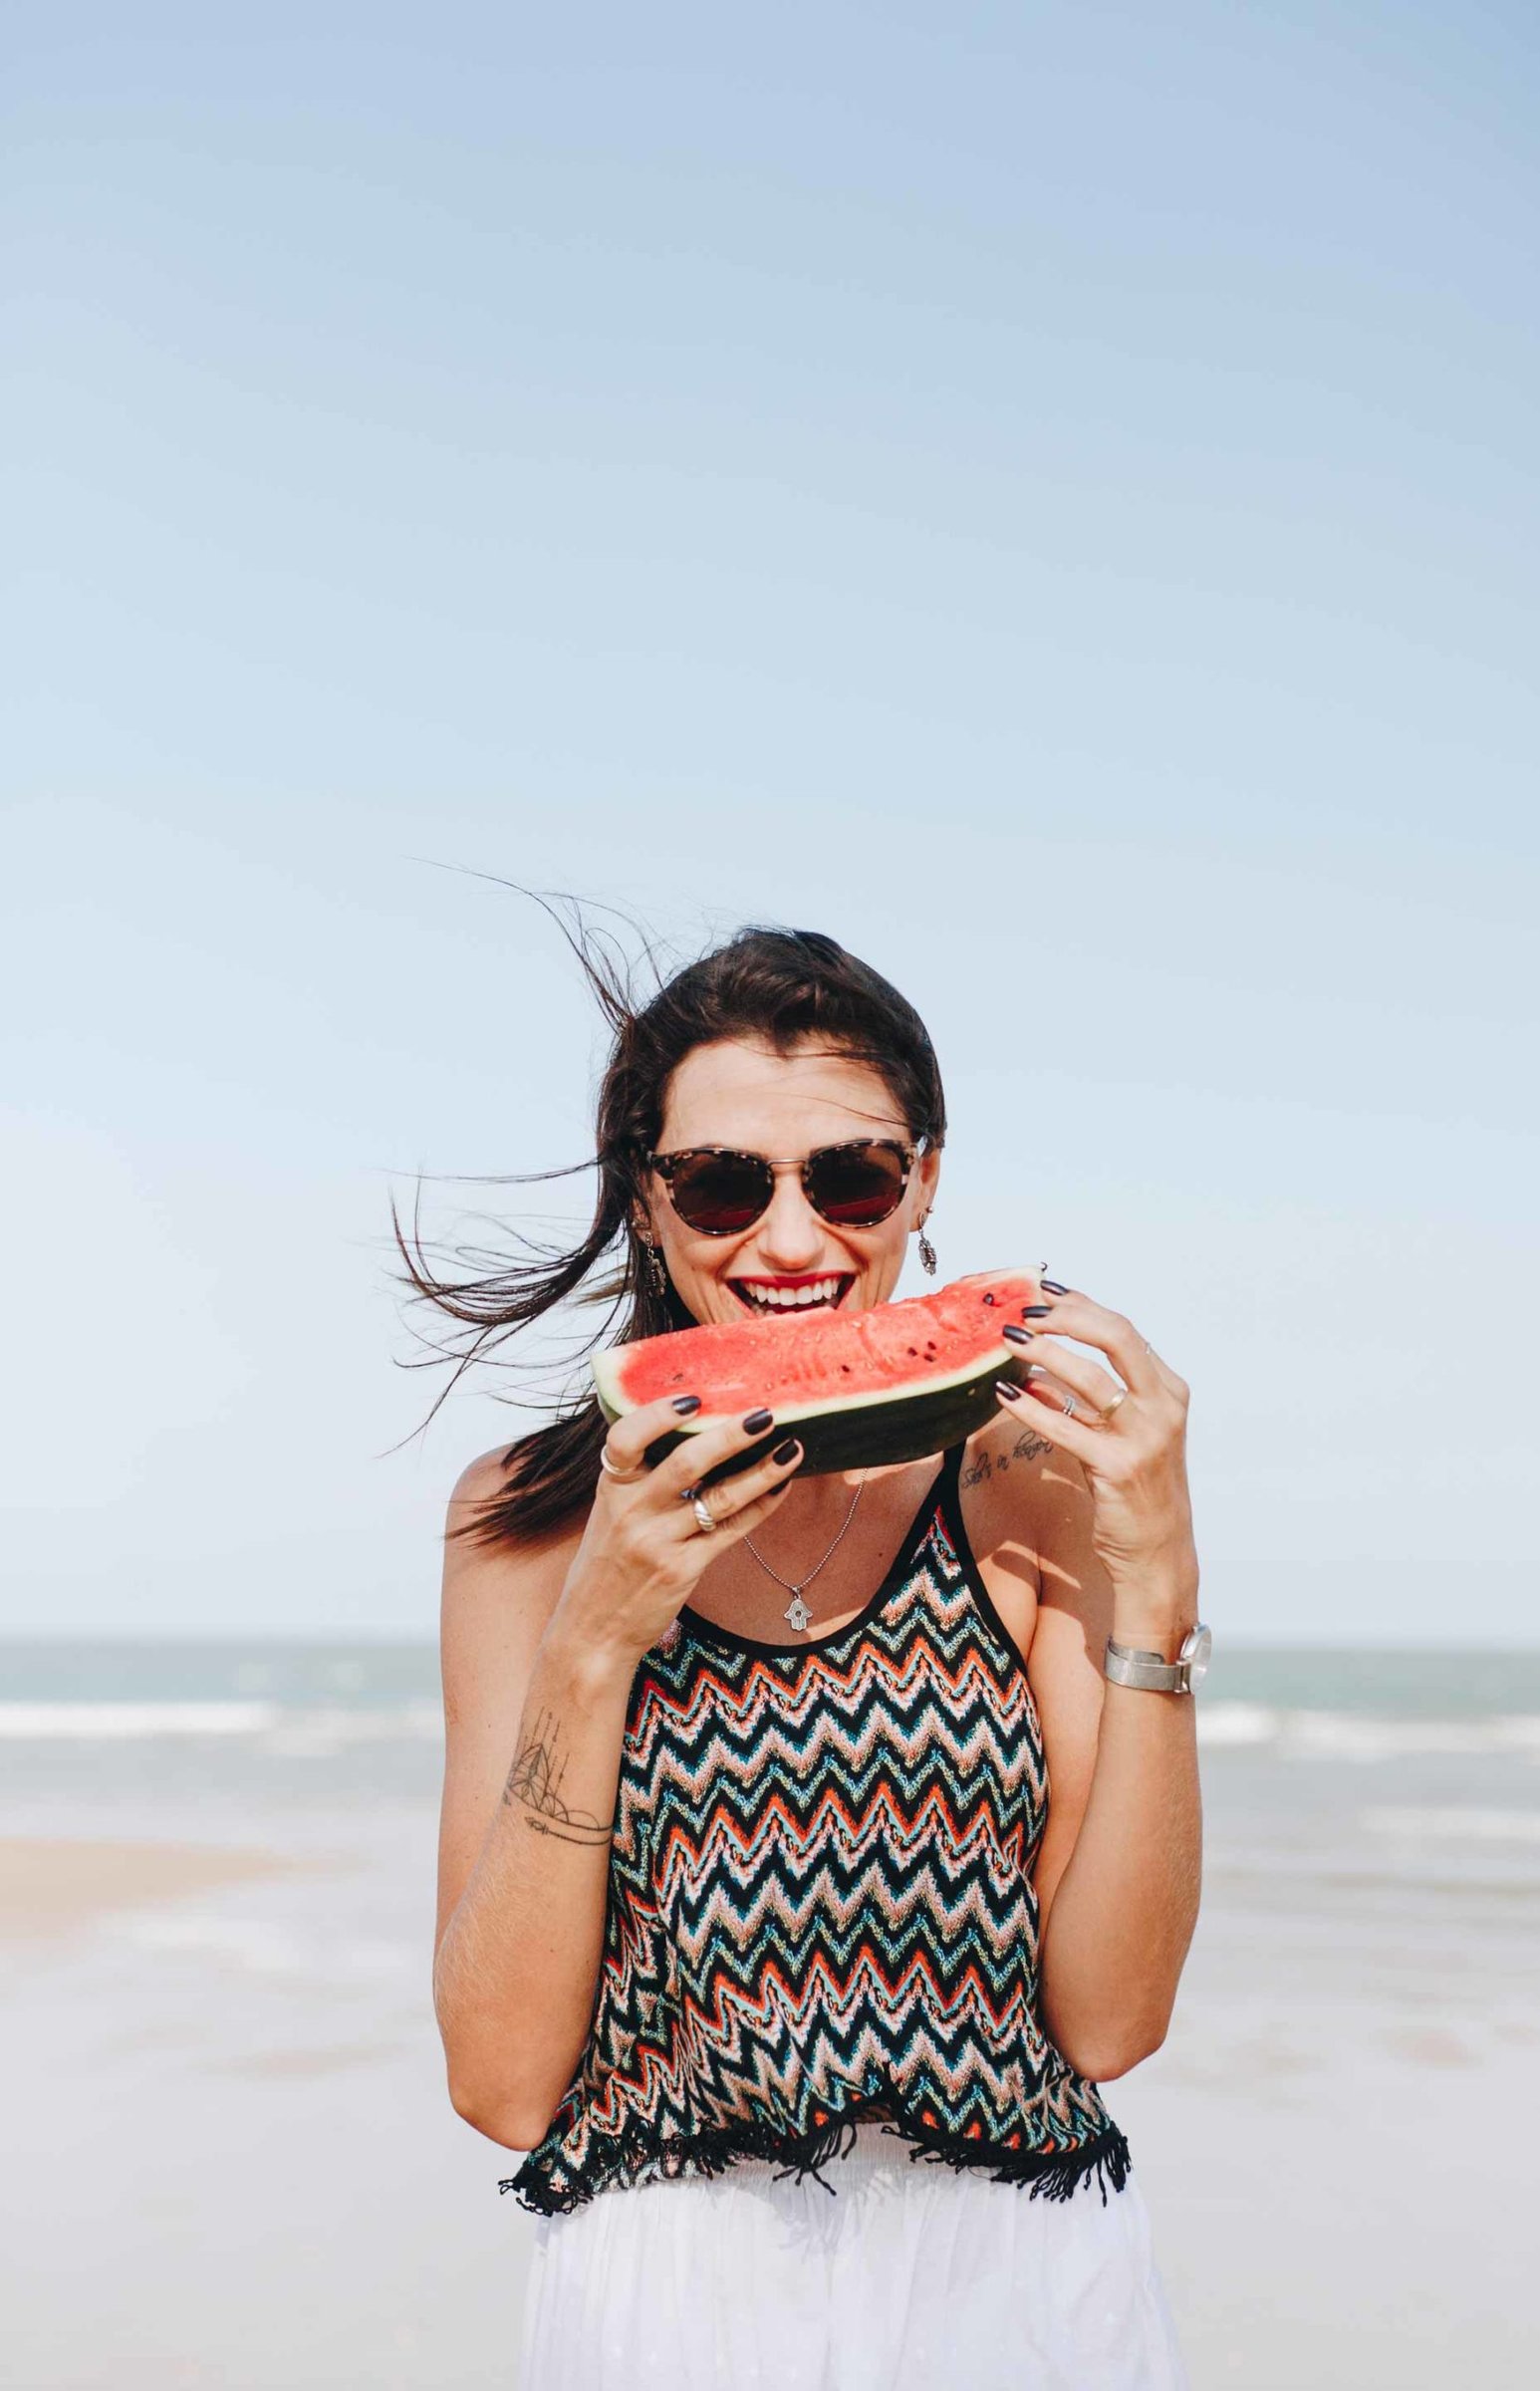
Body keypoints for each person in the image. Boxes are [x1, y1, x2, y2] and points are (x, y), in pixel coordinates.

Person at [413, 920, 1202, 2390]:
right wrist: (596, 1637)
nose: (791, 1241)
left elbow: (1111, 2022)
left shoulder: (1029, 1486)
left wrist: (1158, 1589)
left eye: (851, 1178)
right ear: (645, 1200)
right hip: (667, 2299)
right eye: (723, 1183)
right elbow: (503, 2084)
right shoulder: (525, 1523)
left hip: (1017, 2283)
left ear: (925, 1183)